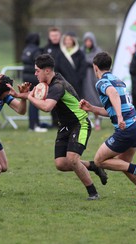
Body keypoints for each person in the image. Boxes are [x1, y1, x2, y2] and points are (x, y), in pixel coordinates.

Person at [79, 52, 136, 205]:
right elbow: (112, 110)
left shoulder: (101, 82)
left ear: (95, 68)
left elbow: (113, 95)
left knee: (99, 160)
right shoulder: (117, 80)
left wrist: (120, 118)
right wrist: (91, 108)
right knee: (123, 164)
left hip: (127, 128)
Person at [27, 54, 107, 200]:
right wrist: (19, 94)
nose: (35, 74)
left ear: (47, 71)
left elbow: (47, 107)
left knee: (72, 159)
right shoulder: (51, 82)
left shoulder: (58, 85)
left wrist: (29, 97)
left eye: (37, 70)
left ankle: (93, 192)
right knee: (61, 164)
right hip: (65, 126)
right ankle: (94, 166)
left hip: (80, 123)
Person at [21, 33, 47, 132]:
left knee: (31, 100)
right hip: (34, 77)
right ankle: (34, 125)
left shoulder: (26, 49)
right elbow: (40, 64)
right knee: (35, 102)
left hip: (26, 77)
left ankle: (33, 124)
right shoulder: (36, 51)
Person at [81, 32, 103, 130]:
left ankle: (97, 120)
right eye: (86, 41)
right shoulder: (81, 51)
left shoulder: (98, 51)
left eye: (90, 41)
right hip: (85, 80)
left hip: (94, 79)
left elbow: (98, 61)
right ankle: (87, 122)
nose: (88, 43)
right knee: (85, 100)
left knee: (96, 101)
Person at [55, 31, 86, 97]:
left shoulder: (79, 53)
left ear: (73, 41)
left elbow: (83, 68)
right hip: (63, 84)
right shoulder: (60, 53)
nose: (68, 41)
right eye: (66, 40)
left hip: (77, 85)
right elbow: (56, 68)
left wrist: (78, 80)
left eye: (69, 40)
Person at [42, 27, 62, 128]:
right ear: (49, 36)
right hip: (50, 80)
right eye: (52, 35)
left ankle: (62, 121)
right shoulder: (46, 49)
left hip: (62, 79)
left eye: (56, 35)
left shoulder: (63, 48)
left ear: (60, 36)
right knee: (52, 101)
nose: (54, 37)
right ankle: (55, 122)